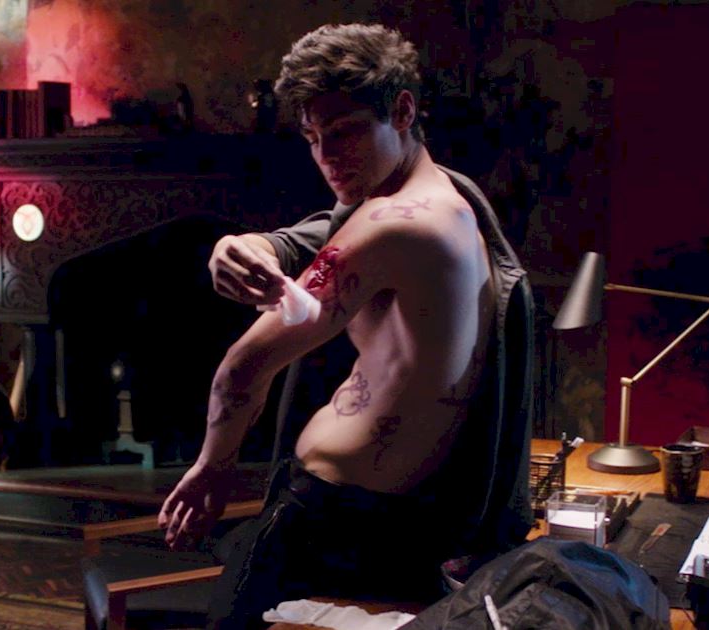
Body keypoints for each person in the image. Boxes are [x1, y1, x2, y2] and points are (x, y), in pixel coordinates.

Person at [158, 23, 535, 629]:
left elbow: (242, 367)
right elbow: (322, 230)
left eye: (344, 132)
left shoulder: (393, 224)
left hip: (336, 522)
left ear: (403, 111)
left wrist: (212, 468)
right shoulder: (449, 199)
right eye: (312, 138)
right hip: (391, 520)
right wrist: (249, 243)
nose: (326, 157)